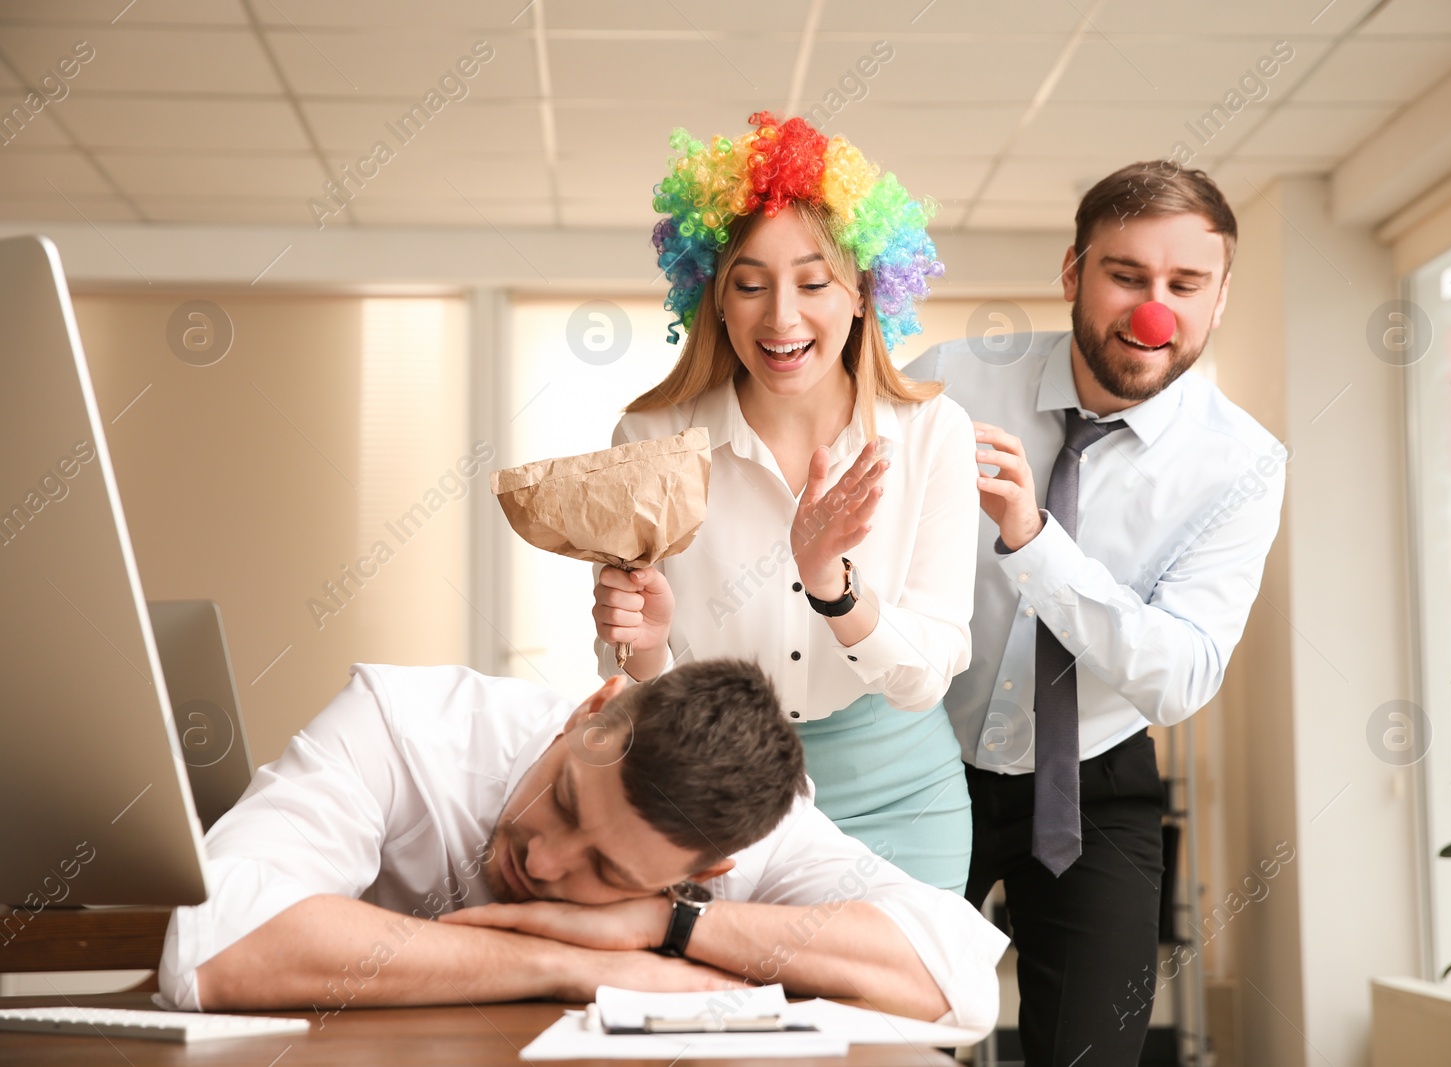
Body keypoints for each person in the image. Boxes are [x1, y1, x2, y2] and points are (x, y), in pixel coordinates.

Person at [905, 161, 1287, 1065]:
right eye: (1127, 276)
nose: (1154, 310)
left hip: (1093, 784)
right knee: (882, 1038)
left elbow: (1181, 677)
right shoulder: (948, 385)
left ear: (1219, 297)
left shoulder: (1241, 465)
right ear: (1073, 273)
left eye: (1184, 285)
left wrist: (1035, 541)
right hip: (918, 764)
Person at [158, 657, 1008, 1028]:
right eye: (564, 798)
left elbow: (958, 978)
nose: (545, 859)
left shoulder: (753, 832)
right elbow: (216, 937)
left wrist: (666, 930)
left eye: (608, 869)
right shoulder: (401, 723)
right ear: (591, 712)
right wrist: (571, 961)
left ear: (708, 871)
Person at [590, 112, 979, 892]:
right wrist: (647, 645)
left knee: (894, 1014)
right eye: (750, 284)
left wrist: (835, 588)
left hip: (899, 793)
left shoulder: (935, 431)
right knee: (722, 1011)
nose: (782, 317)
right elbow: (629, 682)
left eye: (812, 281)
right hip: (714, 786)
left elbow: (927, 674)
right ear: (717, 297)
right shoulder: (651, 436)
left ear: (865, 292)